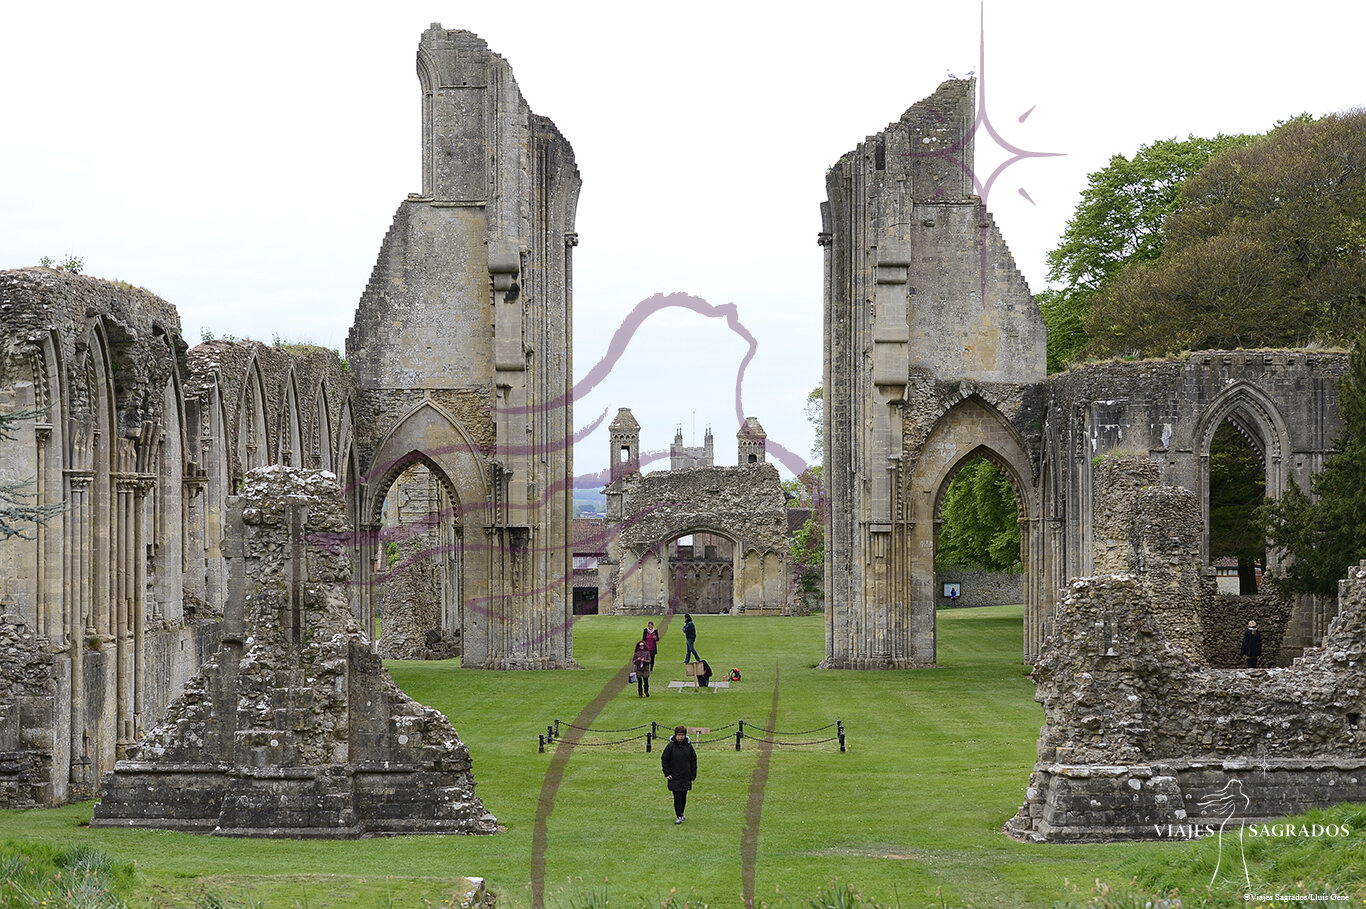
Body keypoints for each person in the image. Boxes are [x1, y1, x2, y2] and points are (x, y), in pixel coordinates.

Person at [661, 724, 697, 824]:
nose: (681, 737)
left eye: (682, 735)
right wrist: (667, 773)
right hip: (674, 776)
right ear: (675, 735)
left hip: (686, 775)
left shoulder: (689, 746)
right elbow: (665, 759)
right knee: (677, 796)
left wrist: (693, 773)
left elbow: (693, 760)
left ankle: (681, 813)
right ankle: (678, 815)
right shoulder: (670, 746)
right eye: (679, 735)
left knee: (684, 795)